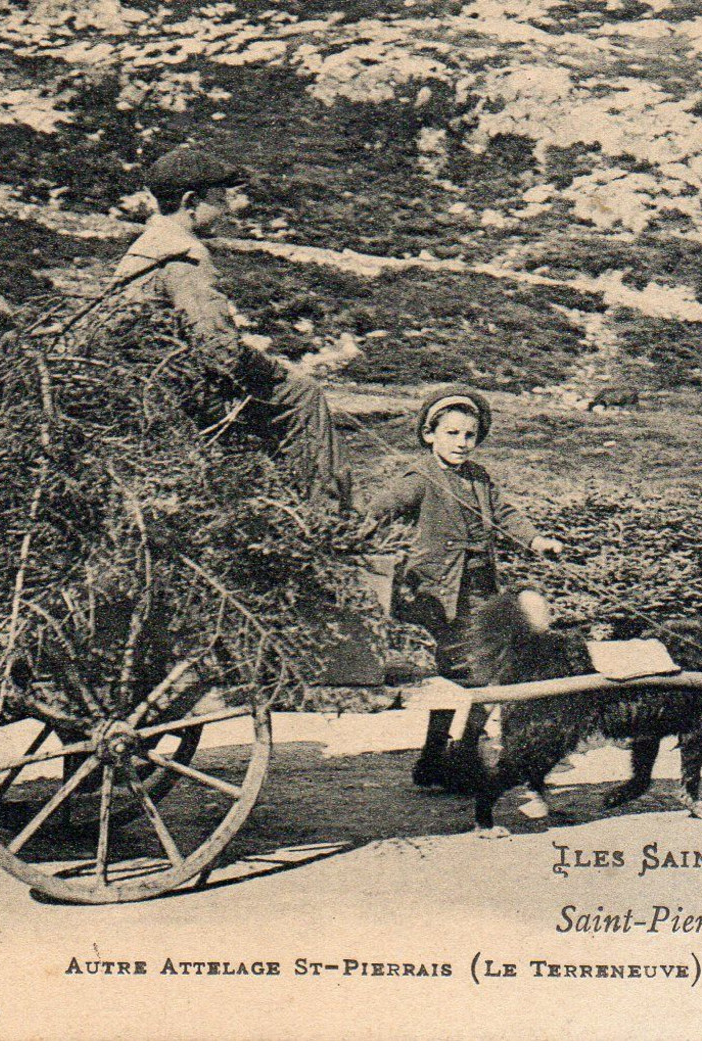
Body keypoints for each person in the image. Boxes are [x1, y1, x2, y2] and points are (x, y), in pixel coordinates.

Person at [111, 145, 352, 508]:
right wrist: (271, 369)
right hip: (180, 386)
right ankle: (327, 517)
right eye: (220, 197)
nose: (227, 207)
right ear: (191, 201)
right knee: (304, 396)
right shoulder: (183, 255)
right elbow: (217, 348)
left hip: (146, 376)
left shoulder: (146, 246)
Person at [362, 385, 562, 787]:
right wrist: (355, 542)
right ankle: (450, 757)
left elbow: (506, 512)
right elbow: (377, 510)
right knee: (467, 679)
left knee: (482, 677)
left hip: (480, 592)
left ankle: (446, 757)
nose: (462, 443)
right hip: (435, 598)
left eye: (469, 435)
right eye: (452, 433)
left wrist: (535, 539)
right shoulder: (418, 479)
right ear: (429, 435)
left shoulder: (480, 478)